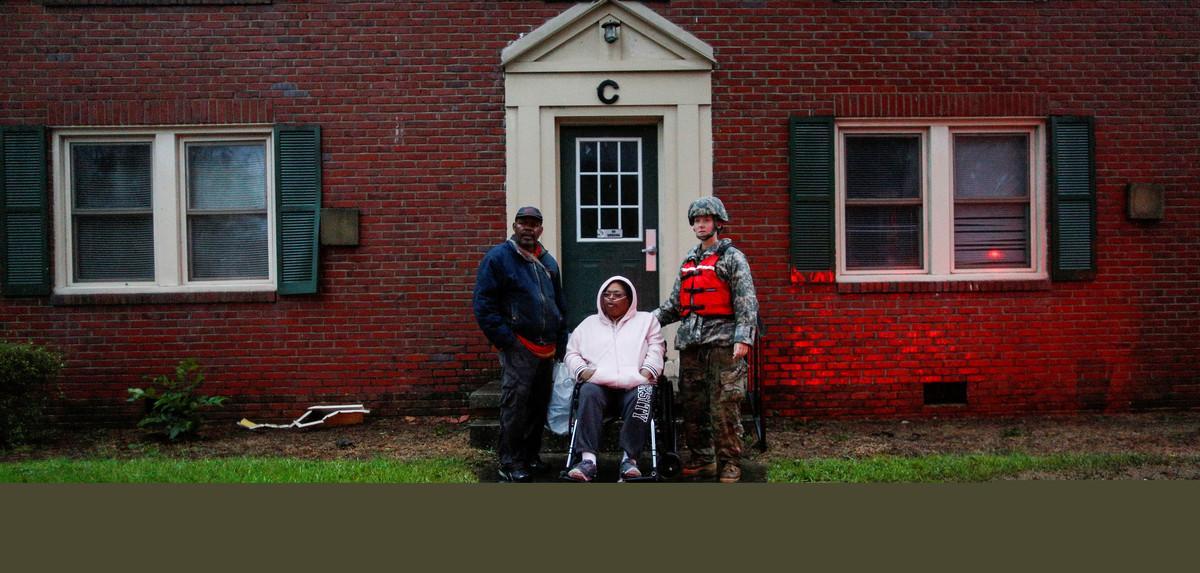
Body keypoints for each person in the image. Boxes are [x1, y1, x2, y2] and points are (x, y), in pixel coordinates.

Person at [653, 197, 758, 483]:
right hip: (691, 345)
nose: (701, 224)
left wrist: (743, 338)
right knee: (693, 406)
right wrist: (644, 322)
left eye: (706, 220)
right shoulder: (689, 261)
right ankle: (703, 460)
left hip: (723, 344)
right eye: (696, 220)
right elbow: (674, 305)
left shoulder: (732, 258)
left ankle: (730, 463)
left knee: (724, 405)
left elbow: (746, 302)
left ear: (718, 223)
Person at [473, 206, 568, 482]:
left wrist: (561, 340)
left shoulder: (549, 262)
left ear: (541, 229)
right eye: (523, 223)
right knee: (515, 406)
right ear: (514, 226)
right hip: (519, 346)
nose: (528, 228)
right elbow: (483, 305)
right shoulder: (498, 258)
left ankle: (529, 457)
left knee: (538, 405)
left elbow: (559, 304)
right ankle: (510, 462)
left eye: (534, 224)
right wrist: (507, 341)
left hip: (546, 348)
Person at [562, 276, 665, 482]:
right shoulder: (588, 324)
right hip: (600, 386)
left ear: (629, 299)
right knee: (587, 391)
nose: (611, 299)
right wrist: (582, 370)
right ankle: (588, 461)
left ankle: (630, 460)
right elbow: (571, 353)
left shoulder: (646, 321)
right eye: (607, 295)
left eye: (617, 295)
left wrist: (647, 371)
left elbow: (657, 346)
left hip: (635, 383)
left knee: (645, 392)